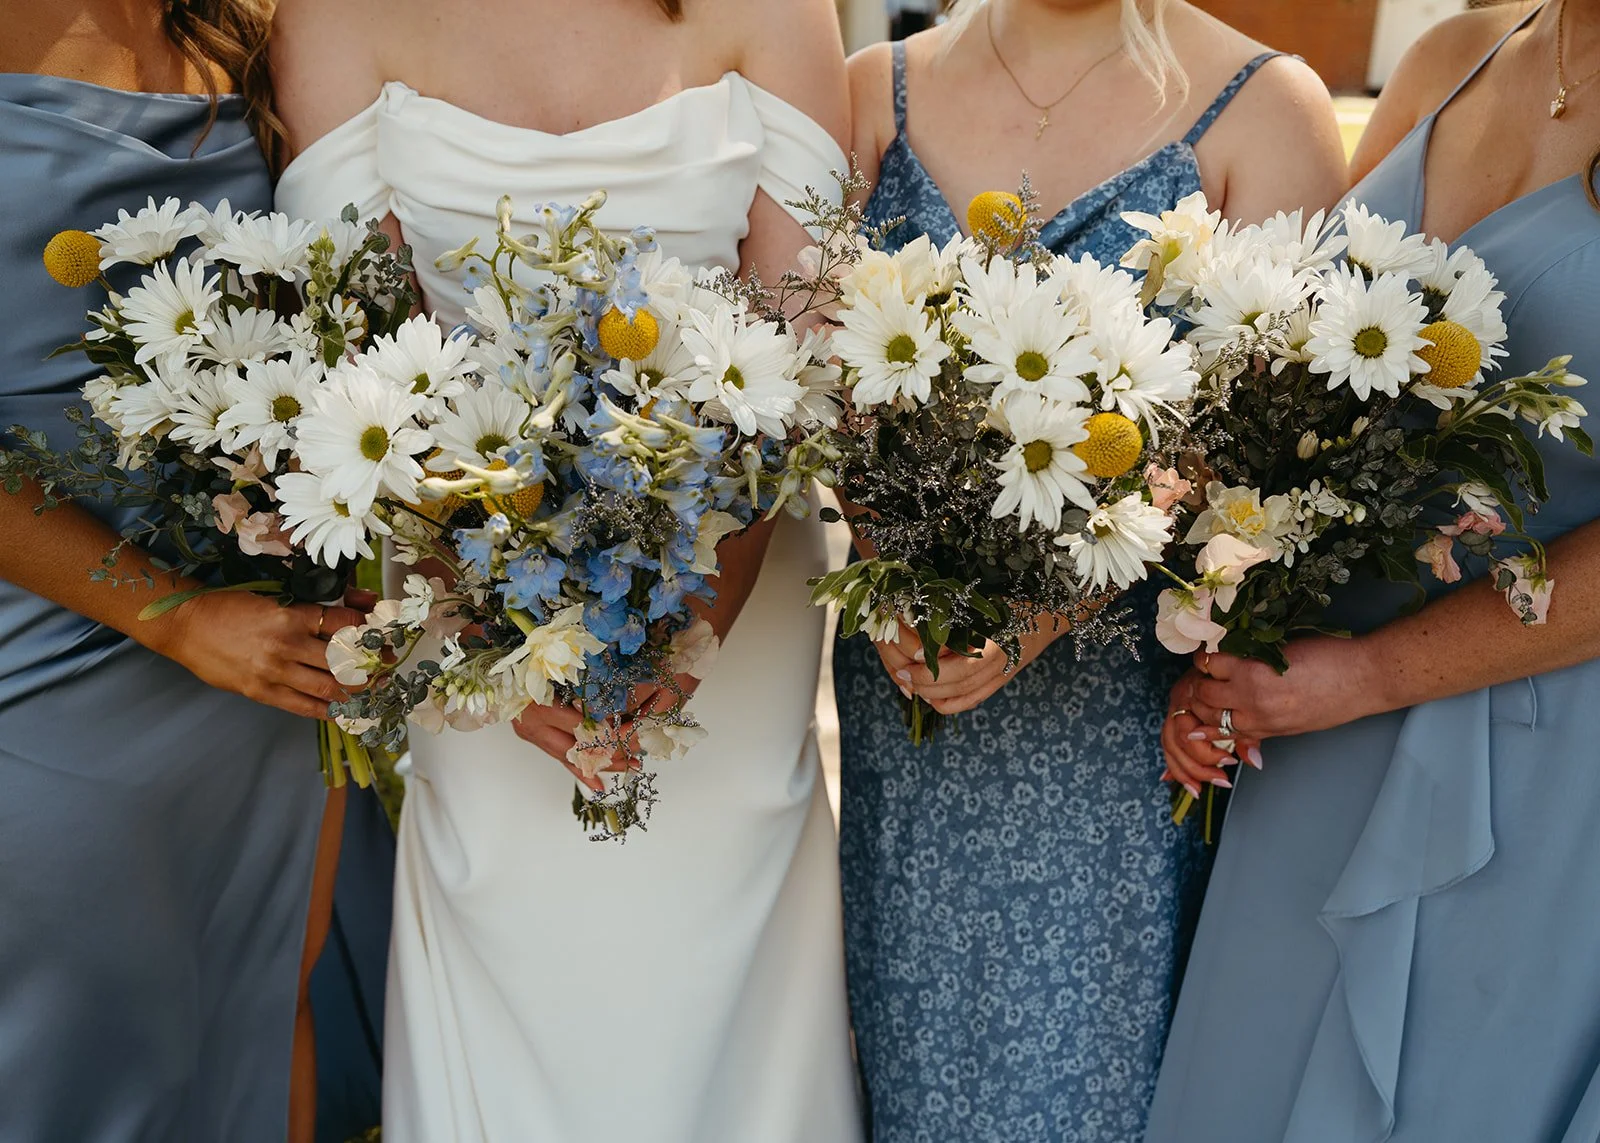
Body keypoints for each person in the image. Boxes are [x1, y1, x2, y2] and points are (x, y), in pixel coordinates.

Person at [269, 0, 864, 1139]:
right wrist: (504, 639)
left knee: (720, 976)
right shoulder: (335, 16)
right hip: (468, 602)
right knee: (513, 947)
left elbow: (800, 345)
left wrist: (689, 625)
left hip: (733, 588)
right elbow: (365, 366)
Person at [834, 1, 1347, 1138]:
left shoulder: (1266, 106)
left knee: (1095, 1081)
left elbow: (1267, 437)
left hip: (1118, 718)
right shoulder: (874, 88)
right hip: (908, 687)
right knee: (911, 1057)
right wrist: (892, 581)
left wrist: (1040, 611)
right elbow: (825, 376)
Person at [1149, 2, 1600, 1139]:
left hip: (1535, 753)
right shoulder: (1457, 53)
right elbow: (1303, 371)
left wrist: (1370, 675)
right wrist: (1224, 626)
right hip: (1303, 723)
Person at [0, 2, 368, 1140]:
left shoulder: (254, 33)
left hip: (265, 644)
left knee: (263, 1017)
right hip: (52, 645)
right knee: (77, 1048)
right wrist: (172, 616)